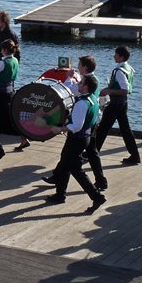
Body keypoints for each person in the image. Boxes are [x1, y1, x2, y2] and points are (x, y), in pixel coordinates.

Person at [42, 75, 107, 214]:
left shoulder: (82, 103)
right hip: (85, 137)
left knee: (76, 170)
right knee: (64, 164)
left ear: (86, 87)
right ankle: (60, 195)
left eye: (81, 82)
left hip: (77, 139)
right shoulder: (93, 100)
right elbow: (96, 118)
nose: (79, 83)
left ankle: (97, 197)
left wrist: (59, 129)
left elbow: (76, 126)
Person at [91, 46, 141, 166]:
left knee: (103, 128)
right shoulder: (128, 68)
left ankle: (91, 153)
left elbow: (125, 90)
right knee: (125, 130)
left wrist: (108, 91)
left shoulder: (119, 71)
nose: (114, 56)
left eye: (116, 54)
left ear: (121, 56)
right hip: (123, 103)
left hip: (115, 104)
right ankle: (135, 156)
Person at [0, 39, 20, 135]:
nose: (1, 51)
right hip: (10, 91)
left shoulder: (4, 63)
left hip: (0, 93)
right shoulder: (14, 60)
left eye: (2, 49)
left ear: (5, 50)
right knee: (6, 114)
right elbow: (0, 66)